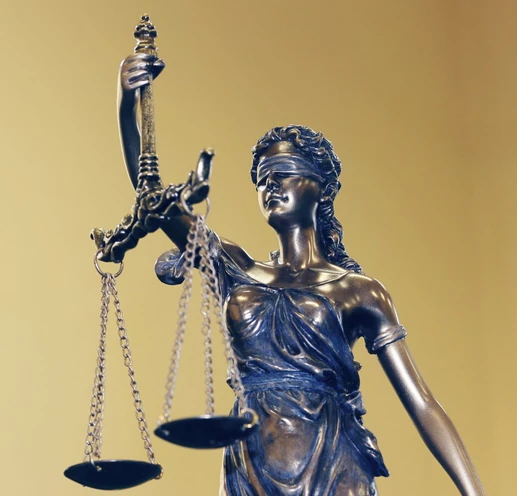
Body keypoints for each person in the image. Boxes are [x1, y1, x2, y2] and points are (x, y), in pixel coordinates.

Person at [117, 52, 486, 495]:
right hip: (250, 463)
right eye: (262, 179)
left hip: (334, 461)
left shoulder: (359, 292)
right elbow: (153, 198)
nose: (270, 186)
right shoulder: (236, 269)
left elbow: (422, 402)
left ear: (320, 188)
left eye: (285, 174)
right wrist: (126, 105)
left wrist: (475, 492)